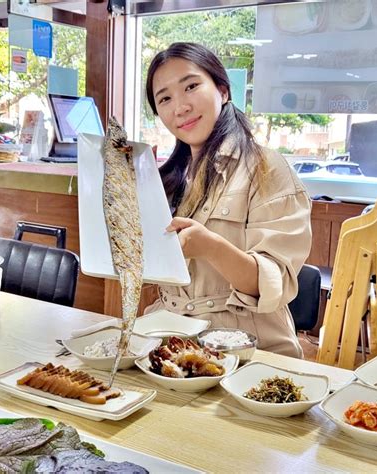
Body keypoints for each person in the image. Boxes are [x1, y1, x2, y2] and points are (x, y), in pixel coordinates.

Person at [144, 42, 312, 358]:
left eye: (191, 86)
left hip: (249, 350)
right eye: (164, 98)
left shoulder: (266, 168)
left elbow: (272, 285)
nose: (179, 107)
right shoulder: (163, 181)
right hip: (170, 343)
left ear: (222, 90)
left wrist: (210, 247)